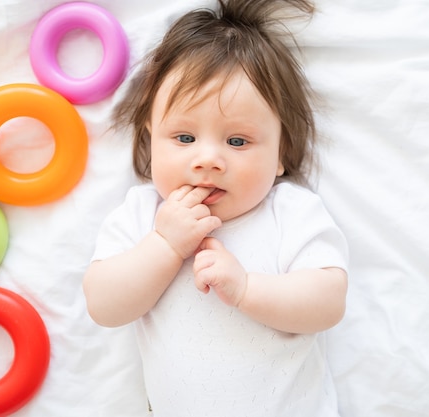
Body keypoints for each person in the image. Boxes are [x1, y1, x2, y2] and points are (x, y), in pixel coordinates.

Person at [82, 0, 348, 415]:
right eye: (184, 138)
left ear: (281, 155)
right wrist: (165, 246)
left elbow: (328, 303)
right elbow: (103, 305)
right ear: (151, 138)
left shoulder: (289, 211)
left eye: (237, 141)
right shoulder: (142, 214)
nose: (208, 160)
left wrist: (246, 289)